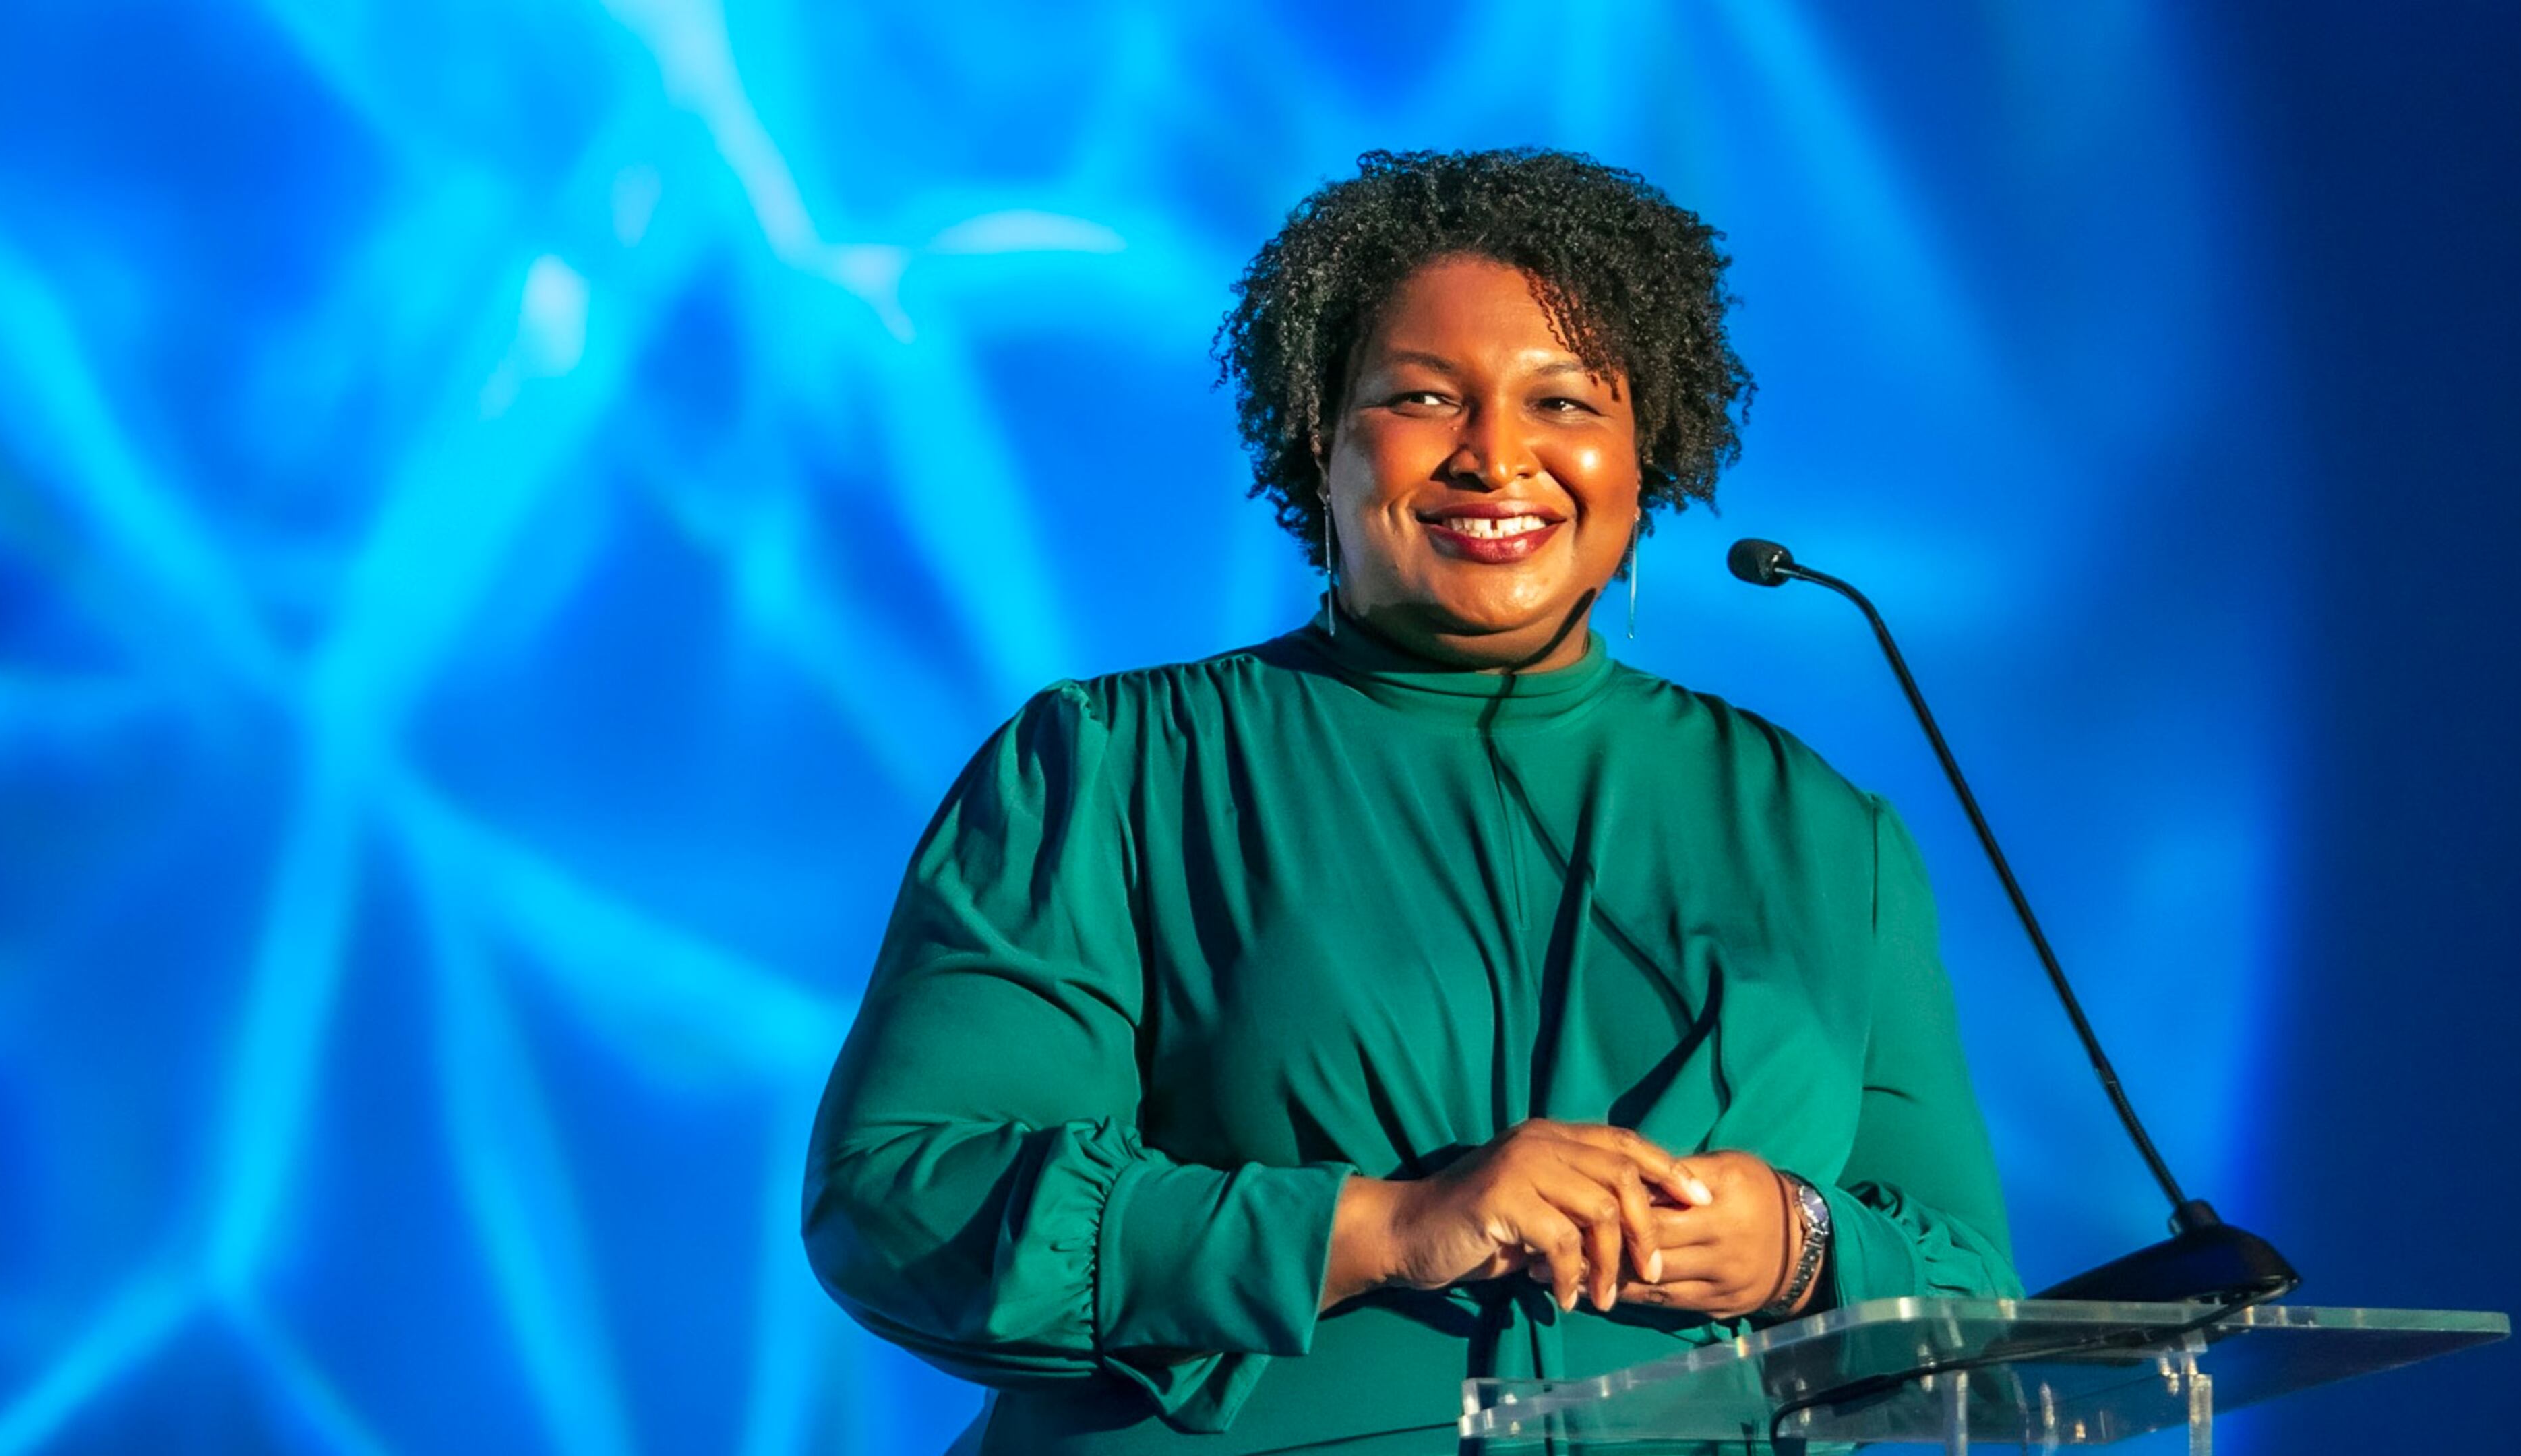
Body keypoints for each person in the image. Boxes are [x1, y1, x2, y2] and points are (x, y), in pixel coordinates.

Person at [802, 148, 2020, 1455]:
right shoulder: (1112, 769)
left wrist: (1801, 1246)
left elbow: (1975, 1304)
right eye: (1426, 398)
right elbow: (901, 1206)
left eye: (1565, 403)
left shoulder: (1826, 835)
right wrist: (1386, 1228)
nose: (1499, 456)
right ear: (1315, 438)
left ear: (1643, 447)